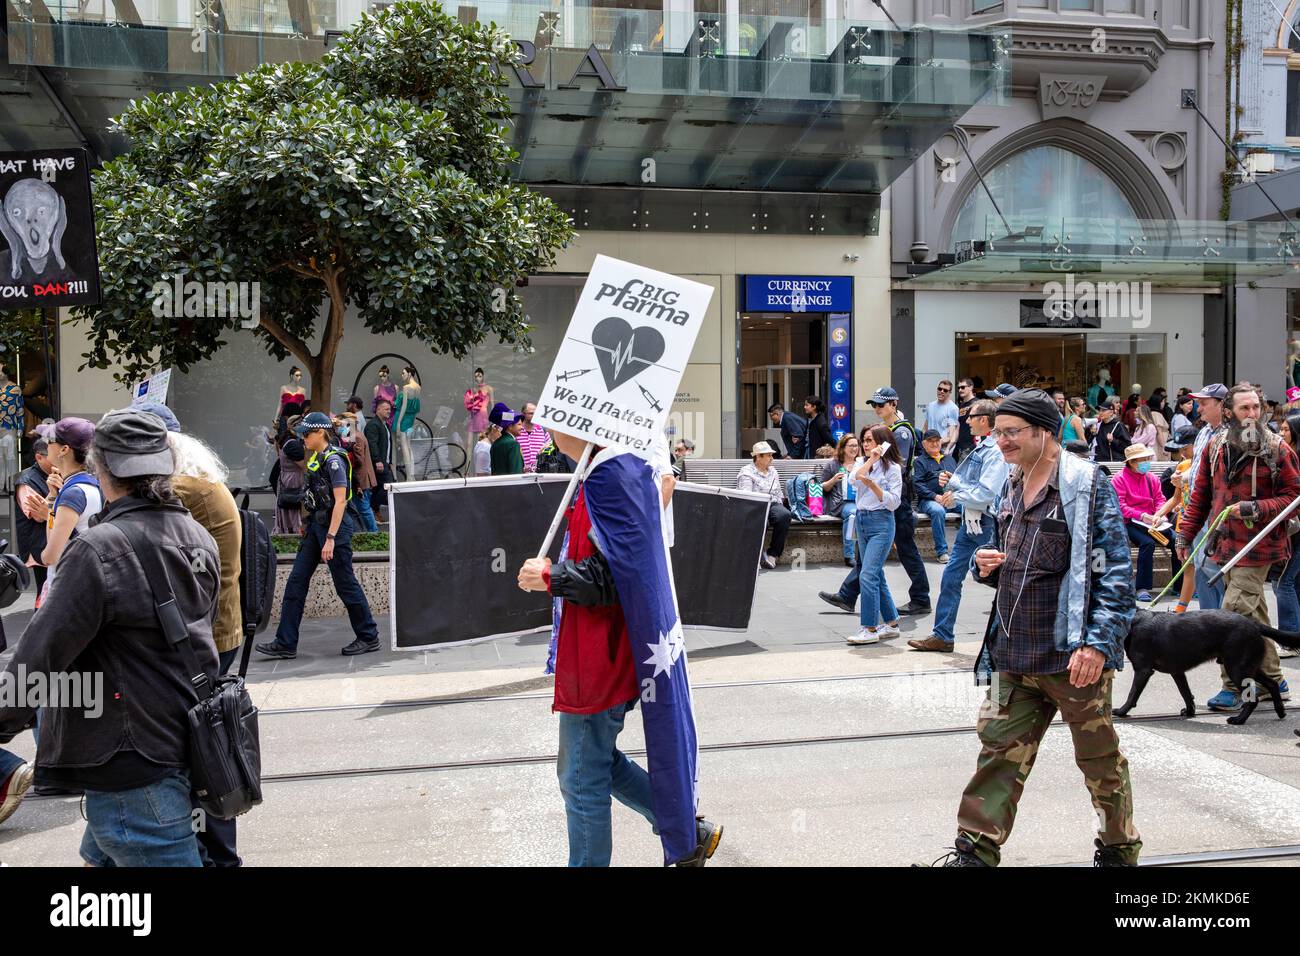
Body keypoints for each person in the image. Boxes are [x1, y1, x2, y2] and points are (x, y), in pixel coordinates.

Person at [920, 389, 1140, 868]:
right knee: (996, 754)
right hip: (1011, 652)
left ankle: (1120, 851)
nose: (1000, 442)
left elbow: (1116, 574)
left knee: (1100, 761)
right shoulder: (1012, 482)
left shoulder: (1086, 484)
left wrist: (1098, 645)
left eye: (1011, 432)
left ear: (1044, 431)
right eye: (997, 432)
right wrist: (988, 565)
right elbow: (1012, 557)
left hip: (1071, 657)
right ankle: (975, 854)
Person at [0, 409, 221, 866]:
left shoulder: (101, 549)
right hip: (181, 740)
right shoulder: (196, 535)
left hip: (127, 758)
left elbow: (40, 655)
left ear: (102, 469)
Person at [515, 429, 722, 867]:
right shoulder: (609, 474)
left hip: (600, 658)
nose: (551, 431)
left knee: (580, 778)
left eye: (558, 420)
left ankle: (685, 832)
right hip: (598, 652)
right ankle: (688, 830)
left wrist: (551, 578)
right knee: (596, 764)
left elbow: (614, 577)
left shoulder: (613, 478)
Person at [140, 402, 245, 867]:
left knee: (201, 754)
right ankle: (217, 854)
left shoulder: (181, 489)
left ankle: (213, 856)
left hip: (202, 636)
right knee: (209, 747)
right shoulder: (204, 481)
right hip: (219, 629)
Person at [1177, 384, 1297, 713]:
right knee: (1252, 615)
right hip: (1224, 546)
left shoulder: (1277, 448)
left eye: (1256, 407)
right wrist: (1185, 535)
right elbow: (1200, 494)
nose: (1252, 414)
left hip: (1259, 547)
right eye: (1245, 408)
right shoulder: (1215, 445)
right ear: (1229, 411)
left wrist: (1256, 508)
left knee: (1232, 615)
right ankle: (1273, 679)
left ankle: (1236, 687)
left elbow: (1294, 496)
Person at [256, 412, 380, 659]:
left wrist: (331, 538)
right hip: (315, 527)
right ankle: (285, 642)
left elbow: (341, 501)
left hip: (334, 529)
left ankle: (368, 636)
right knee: (296, 582)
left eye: (307, 433)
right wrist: (309, 524)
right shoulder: (317, 458)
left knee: (345, 584)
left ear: (320, 433)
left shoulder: (334, 460)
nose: (303, 437)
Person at [909, 400, 1007, 653]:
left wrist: (957, 491)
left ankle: (1007, 636)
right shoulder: (982, 448)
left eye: (971, 416)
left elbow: (986, 493)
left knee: (999, 581)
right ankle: (942, 635)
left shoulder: (995, 451)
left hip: (986, 523)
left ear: (984, 419)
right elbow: (973, 484)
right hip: (972, 522)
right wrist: (953, 481)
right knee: (952, 576)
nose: (966, 421)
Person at [870, 387, 930, 615]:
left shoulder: (902, 432)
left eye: (881, 404)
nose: (876, 408)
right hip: (887, 495)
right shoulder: (888, 429)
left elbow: (897, 464)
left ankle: (921, 597)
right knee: (870, 547)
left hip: (898, 497)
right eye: (874, 405)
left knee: (906, 548)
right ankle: (847, 593)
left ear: (893, 404)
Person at [845, 425, 903, 645]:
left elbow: (894, 502)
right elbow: (853, 479)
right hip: (861, 520)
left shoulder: (893, 468)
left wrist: (875, 487)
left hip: (882, 522)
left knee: (868, 575)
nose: (866, 444)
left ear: (882, 442)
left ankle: (869, 627)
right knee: (875, 574)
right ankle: (891, 623)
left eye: (870, 440)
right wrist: (871, 460)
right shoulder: (862, 462)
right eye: (864, 440)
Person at [40, 417, 102, 590]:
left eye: (50, 440)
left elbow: (51, 557)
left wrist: (44, 555)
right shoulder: (96, 484)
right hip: (85, 582)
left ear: (64, 449)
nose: (46, 444)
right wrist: (53, 497)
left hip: (69, 588)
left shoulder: (73, 494)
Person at [1185, 383, 1228, 611]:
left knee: (1212, 569)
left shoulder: (1231, 435)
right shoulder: (1204, 432)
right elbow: (1199, 472)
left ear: (1221, 405)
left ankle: (1218, 625)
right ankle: (1207, 621)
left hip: (1216, 515)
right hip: (1198, 513)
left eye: (1203, 404)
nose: (1198, 409)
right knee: (1200, 568)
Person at [1148, 426, 1199, 614]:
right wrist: (1159, 514)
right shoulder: (1182, 466)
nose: (1182, 453)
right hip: (1184, 523)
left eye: (1186, 448)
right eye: (1180, 449)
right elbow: (1176, 498)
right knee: (1187, 565)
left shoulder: (1206, 464)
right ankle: (1180, 611)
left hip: (1203, 524)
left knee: (1203, 568)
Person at [1111, 443, 1168, 604]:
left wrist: (1160, 515)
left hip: (1153, 522)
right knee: (1147, 543)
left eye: (1147, 459)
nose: (1146, 463)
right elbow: (1120, 506)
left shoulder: (1152, 478)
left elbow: (1160, 499)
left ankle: (1178, 585)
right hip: (1130, 522)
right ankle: (1142, 588)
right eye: (1142, 460)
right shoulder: (1119, 479)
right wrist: (1141, 515)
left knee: (1177, 539)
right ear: (1131, 462)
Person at [737, 440, 790, 569]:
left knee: (784, 515)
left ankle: (773, 554)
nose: (772, 459)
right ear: (758, 457)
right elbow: (746, 495)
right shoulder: (746, 472)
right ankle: (755, 556)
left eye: (771, 455)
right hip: (754, 504)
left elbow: (778, 493)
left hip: (772, 503)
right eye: (768, 456)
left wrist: (780, 504)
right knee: (759, 520)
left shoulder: (773, 471)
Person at [13, 437, 51, 602]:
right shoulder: (26, 481)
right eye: (53, 455)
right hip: (40, 546)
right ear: (39, 457)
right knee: (45, 595)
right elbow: (38, 516)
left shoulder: (55, 474)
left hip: (52, 543)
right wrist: (54, 491)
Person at [913, 429, 955, 563]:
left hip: (952, 499)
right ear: (924, 444)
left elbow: (959, 479)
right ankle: (942, 552)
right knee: (937, 510)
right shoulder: (920, 461)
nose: (934, 443)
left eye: (937, 440)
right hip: (928, 500)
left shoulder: (949, 459)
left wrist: (953, 493)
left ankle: (970, 549)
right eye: (930, 441)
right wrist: (935, 496)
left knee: (971, 507)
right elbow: (918, 485)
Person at [1275, 414, 1300, 642]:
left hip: (1296, 532)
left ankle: (1289, 638)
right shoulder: (1289, 456)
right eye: (1280, 429)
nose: (1281, 434)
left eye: (1286, 429)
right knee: (1294, 581)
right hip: (1292, 530)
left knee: (1283, 583)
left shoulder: (1294, 460)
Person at [819, 434, 860, 566]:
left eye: (856, 445)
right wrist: (833, 480)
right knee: (853, 514)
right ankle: (849, 555)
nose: (854, 448)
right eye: (851, 445)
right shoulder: (833, 465)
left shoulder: (861, 463)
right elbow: (822, 487)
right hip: (841, 503)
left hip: (861, 501)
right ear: (842, 448)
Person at [337, 410, 379, 532]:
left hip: (360, 479)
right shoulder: (356, 435)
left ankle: (373, 533)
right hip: (361, 478)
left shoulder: (355, 437)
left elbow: (358, 460)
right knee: (362, 507)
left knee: (363, 507)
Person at [272, 402, 305, 535]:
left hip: (287, 478)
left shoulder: (286, 439)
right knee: (293, 507)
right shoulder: (293, 445)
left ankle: (289, 531)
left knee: (289, 508)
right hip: (294, 480)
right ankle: (293, 534)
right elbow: (304, 465)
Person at [365, 398, 395, 518]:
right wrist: (377, 460)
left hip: (385, 463)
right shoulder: (373, 425)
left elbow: (387, 444)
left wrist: (390, 461)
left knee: (378, 489)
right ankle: (371, 506)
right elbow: (372, 444)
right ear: (378, 409)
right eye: (386, 409)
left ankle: (374, 512)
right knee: (388, 486)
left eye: (390, 409)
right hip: (378, 464)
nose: (389, 411)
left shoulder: (385, 425)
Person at [488, 402, 525, 476]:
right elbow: (516, 473)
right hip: (511, 486)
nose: (522, 427)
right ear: (510, 426)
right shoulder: (513, 444)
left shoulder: (496, 443)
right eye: (519, 424)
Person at [1093, 397, 1131, 462]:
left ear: (1111, 412)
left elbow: (1127, 447)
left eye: (1103, 410)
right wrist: (1092, 433)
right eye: (1100, 410)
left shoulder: (1119, 425)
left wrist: (1113, 440)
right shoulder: (1098, 425)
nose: (1100, 413)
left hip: (1114, 462)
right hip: (1099, 461)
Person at [516, 402, 550, 474]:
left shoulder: (542, 430)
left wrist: (544, 451)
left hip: (540, 474)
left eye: (536, 413)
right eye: (531, 413)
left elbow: (550, 448)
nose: (534, 416)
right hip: (520, 474)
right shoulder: (516, 430)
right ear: (523, 414)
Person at [953, 378, 978, 460]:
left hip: (971, 447)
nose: (960, 390)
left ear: (971, 387)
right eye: (958, 388)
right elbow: (958, 426)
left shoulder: (977, 404)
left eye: (963, 387)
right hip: (960, 447)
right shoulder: (961, 405)